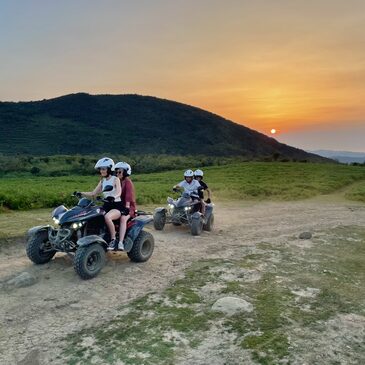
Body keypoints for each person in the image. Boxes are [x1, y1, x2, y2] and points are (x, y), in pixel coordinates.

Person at [80, 157, 122, 248]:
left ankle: (113, 240)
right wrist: (81, 193)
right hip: (106, 205)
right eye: (100, 169)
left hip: (116, 206)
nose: (101, 171)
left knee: (107, 217)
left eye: (103, 169)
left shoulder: (115, 179)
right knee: (93, 215)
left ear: (109, 169)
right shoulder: (103, 181)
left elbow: (119, 192)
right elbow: (93, 193)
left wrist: (113, 197)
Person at [115, 161, 136, 251]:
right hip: (117, 205)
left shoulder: (128, 182)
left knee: (123, 218)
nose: (117, 173)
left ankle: (120, 242)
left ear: (126, 172)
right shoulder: (117, 181)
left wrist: (126, 208)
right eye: (116, 171)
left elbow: (128, 197)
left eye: (119, 171)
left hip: (128, 207)